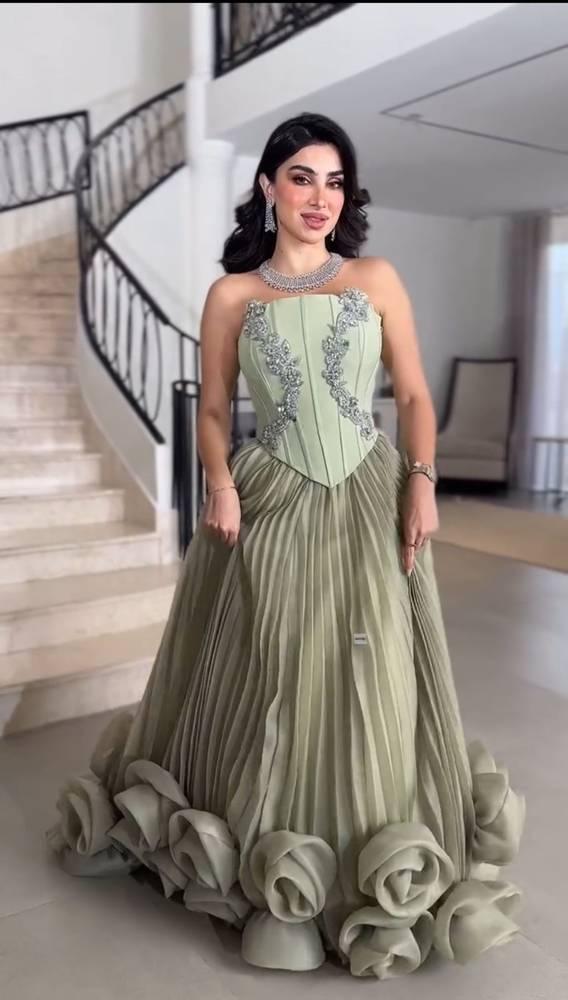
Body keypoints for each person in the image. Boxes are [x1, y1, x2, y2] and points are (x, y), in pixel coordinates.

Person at [47, 112, 525, 980]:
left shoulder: (375, 277)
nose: (320, 196)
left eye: (335, 181)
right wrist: (221, 483)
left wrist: (422, 480)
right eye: (302, 176)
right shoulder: (234, 295)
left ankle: (366, 856)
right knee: (274, 662)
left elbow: (415, 394)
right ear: (268, 185)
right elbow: (213, 408)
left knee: (373, 665)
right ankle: (272, 858)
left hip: (369, 492)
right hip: (271, 494)